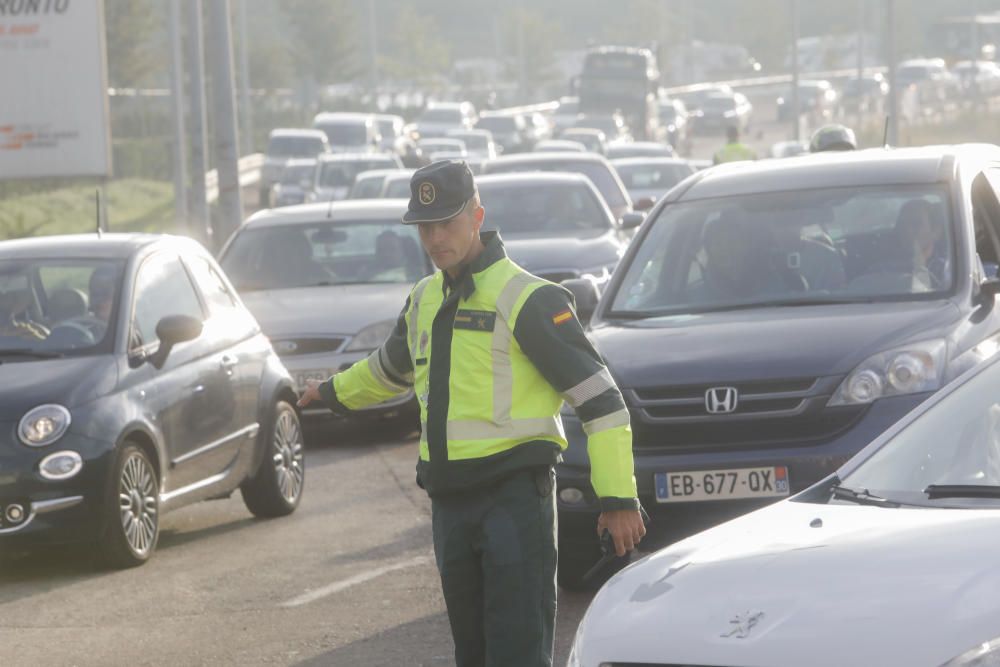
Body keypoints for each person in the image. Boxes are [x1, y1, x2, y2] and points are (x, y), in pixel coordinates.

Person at [298, 160, 644, 667]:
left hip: (514, 500)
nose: (436, 238)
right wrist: (330, 392)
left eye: (447, 223)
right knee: (473, 654)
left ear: (477, 216)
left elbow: (603, 402)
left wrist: (618, 499)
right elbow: (390, 369)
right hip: (450, 503)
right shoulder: (423, 298)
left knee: (518, 651)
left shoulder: (527, 297)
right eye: (425, 226)